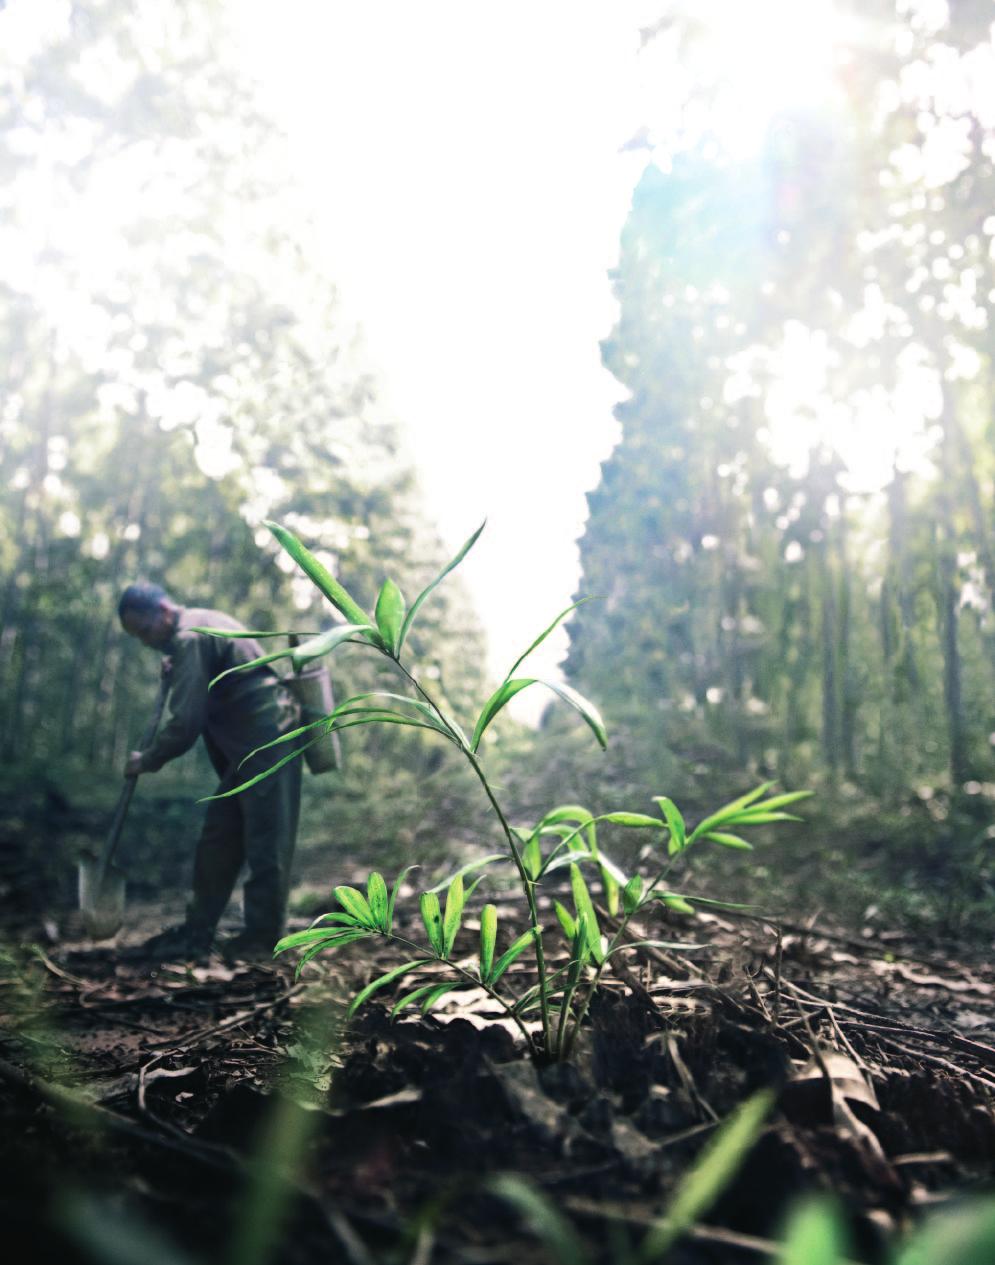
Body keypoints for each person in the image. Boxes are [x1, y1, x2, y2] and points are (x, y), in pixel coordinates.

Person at [118, 583, 302, 960]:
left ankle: (262, 941)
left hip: (270, 743)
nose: (147, 643)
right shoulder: (197, 629)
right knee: (218, 837)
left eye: (146, 632)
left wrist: (147, 759)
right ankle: (198, 931)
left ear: (165, 612)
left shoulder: (190, 637)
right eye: (138, 637)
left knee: (267, 843)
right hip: (247, 753)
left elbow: (186, 722)